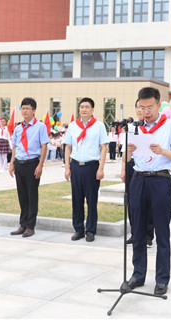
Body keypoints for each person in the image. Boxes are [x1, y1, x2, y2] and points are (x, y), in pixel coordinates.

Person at [123, 87, 171, 296]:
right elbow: (128, 159)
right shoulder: (133, 128)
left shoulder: (170, 126)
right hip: (138, 179)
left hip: (160, 180)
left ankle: (161, 279)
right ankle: (138, 275)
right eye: (142, 107)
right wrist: (128, 153)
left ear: (159, 105)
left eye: (150, 107)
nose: (146, 111)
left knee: (161, 231)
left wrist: (162, 151)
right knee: (137, 230)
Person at [64, 97, 109, 242]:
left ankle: (90, 230)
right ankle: (78, 229)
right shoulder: (72, 126)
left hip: (92, 167)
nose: (84, 109)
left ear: (92, 110)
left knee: (91, 200)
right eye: (81, 107)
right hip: (76, 166)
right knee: (76, 199)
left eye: (87, 107)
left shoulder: (99, 126)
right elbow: (68, 147)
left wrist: (101, 168)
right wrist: (67, 167)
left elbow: (103, 147)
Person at [9, 97, 49, 238]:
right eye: (23, 108)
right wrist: (12, 163)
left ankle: (30, 226)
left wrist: (40, 165)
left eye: (27, 108)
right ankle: (23, 224)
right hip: (19, 163)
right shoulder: (18, 128)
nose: (25, 111)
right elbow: (15, 146)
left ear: (33, 110)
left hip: (32, 163)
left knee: (32, 195)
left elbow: (44, 145)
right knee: (22, 196)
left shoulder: (40, 126)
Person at [121, 100, 154, 246]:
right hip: (131, 166)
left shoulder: (153, 127)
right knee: (132, 202)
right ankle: (135, 233)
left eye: (144, 108)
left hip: (148, 166)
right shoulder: (130, 127)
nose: (141, 110)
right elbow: (124, 152)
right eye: (139, 108)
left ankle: (148, 235)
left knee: (148, 202)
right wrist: (123, 170)